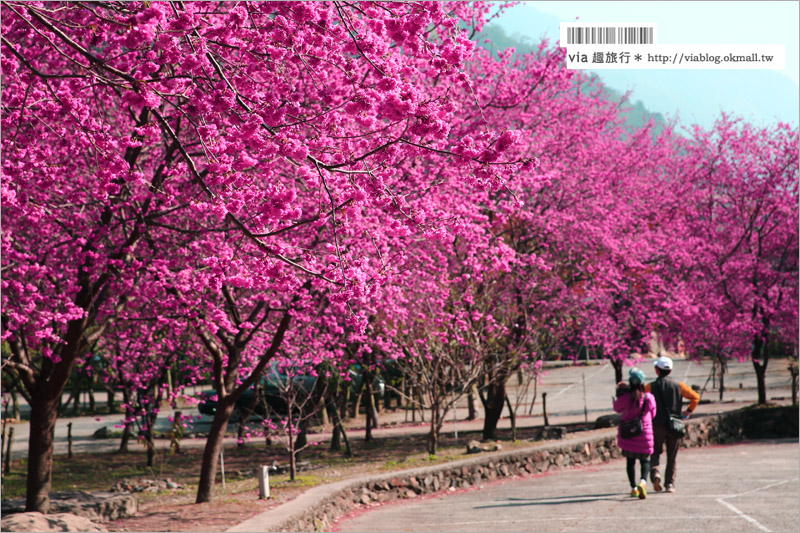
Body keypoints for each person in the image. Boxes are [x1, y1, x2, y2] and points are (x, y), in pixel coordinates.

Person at [645, 356, 701, 493]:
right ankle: (669, 484)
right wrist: (688, 411)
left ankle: (655, 473)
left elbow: (641, 399)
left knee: (655, 453)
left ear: (657, 371)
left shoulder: (650, 386)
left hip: (656, 425)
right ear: (669, 370)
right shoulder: (679, 385)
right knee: (672, 456)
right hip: (674, 425)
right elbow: (696, 397)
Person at [613, 368, 656, 499]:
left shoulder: (625, 398)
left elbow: (616, 408)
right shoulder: (649, 397)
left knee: (630, 461)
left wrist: (619, 394)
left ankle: (633, 488)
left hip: (628, 434)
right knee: (645, 460)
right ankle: (643, 481)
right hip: (644, 433)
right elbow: (653, 414)